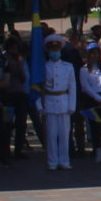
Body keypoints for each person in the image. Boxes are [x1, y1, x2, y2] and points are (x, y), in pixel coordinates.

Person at [35, 35, 77, 170]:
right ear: (48, 51)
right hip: (50, 102)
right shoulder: (44, 67)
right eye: (52, 49)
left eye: (57, 48)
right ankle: (52, 161)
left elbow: (72, 87)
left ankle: (64, 160)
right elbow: (37, 87)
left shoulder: (68, 67)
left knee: (64, 134)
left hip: (64, 101)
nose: (55, 51)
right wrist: (39, 105)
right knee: (51, 135)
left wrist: (72, 105)